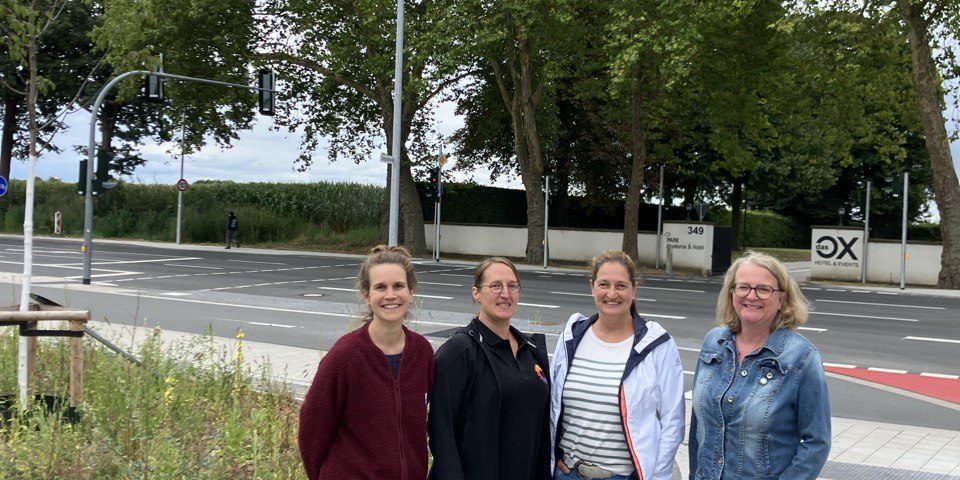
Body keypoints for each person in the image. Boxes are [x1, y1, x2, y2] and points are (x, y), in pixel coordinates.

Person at [688, 251, 830, 480]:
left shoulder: (801, 357)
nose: (751, 296)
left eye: (764, 289)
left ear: (782, 299)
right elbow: (698, 427)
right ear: (732, 293)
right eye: (743, 287)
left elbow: (817, 442)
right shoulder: (713, 343)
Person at [298, 245, 434, 480]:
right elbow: (312, 429)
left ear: (411, 293)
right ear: (367, 295)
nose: (390, 295)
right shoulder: (345, 356)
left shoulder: (422, 352)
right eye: (380, 287)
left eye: (398, 286)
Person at [551, 250, 685, 480]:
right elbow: (553, 406)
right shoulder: (571, 337)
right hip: (567, 474)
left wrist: (658, 476)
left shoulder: (657, 345)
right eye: (604, 284)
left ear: (634, 289)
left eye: (621, 286)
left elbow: (673, 421)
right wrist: (554, 457)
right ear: (592, 287)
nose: (611, 294)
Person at [429, 257, 552, 480]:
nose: (505, 293)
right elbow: (441, 429)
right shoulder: (460, 351)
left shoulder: (530, 349)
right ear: (476, 293)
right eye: (496, 286)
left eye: (512, 286)